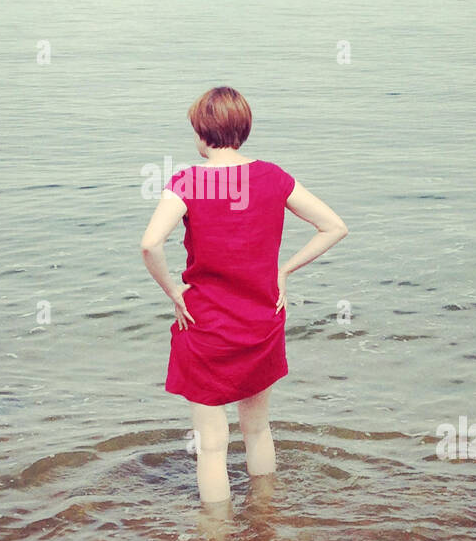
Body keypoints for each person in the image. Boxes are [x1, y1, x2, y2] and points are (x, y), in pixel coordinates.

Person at [140, 87, 348, 504]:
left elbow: (150, 245)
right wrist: (283, 270)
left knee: (212, 445)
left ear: (202, 132)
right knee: (258, 429)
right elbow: (334, 226)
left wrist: (174, 292)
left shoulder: (187, 182)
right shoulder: (273, 177)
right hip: (261, 318)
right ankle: (266, 521)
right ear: (243, 130)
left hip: (205, 325)